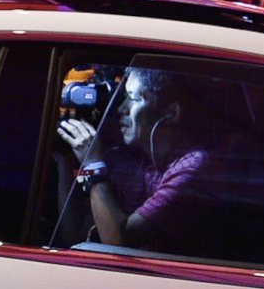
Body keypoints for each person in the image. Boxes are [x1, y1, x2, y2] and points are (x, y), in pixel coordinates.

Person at [55, 67, 235, 255]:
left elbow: (118, 240)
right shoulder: (134, 162)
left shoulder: (195, 168)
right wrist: (65, 160)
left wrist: (93, 165)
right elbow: (74, 234)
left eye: (133, 99)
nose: (121, 109)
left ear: (171, 112)